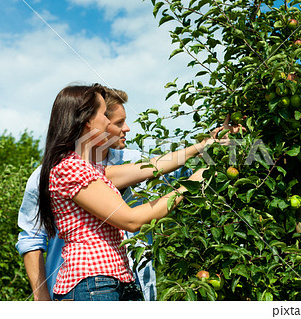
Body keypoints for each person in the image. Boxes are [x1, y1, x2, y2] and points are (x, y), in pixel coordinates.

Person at [37, 83, 238, 301]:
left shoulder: (91, 168)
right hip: (91, 281)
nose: (107, 121)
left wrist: (205, 145)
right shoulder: (70, 168)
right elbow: (131, 220)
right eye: (104, 114)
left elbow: (153, 167)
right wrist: (190, 185)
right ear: (87, 121)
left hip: (114, 280)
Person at [16, 86, 183, 301]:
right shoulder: (51, 173)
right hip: (85, 281)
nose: (127, 129)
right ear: (91, 122)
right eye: (117, 122)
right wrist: (41, 299)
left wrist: (214, 146)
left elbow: (173, 167)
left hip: (132, 282)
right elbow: (31, 239)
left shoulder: (130, 160)